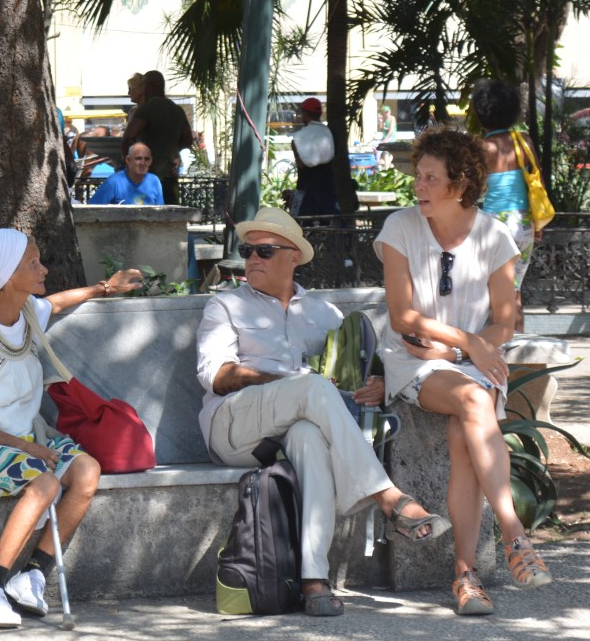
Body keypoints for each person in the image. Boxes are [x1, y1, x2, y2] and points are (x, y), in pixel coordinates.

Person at [196, 207, 450, 618]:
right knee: (311, 387)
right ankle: (388, 497)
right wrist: (286, 382)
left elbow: (358, 368)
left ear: (293, 256)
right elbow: (217, 377)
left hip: (288, 433)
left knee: (311, 438)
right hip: (232, 426)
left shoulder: (323, 314)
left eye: (264, 250)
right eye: (247, 251)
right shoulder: (225, 305)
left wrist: (378, 383)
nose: (252, 258)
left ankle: (314, 580)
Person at [373, 128, 552, 617]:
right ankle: (514, 534)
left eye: (431, 178)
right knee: (474, 402)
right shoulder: (400, 228)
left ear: (461, 183)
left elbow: (505, 322)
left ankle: (465, 576)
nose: (419, 185)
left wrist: (462, 351)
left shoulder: (494, 235)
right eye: (418, 175)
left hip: (469, 361)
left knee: (463, 436)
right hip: (415, 359)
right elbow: (403, 318)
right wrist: (466, 342)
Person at [0, 228, 143, 628]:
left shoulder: (28, 312)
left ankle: (32, 574)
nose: (44, 269)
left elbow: (56, 302)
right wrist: (25, 447)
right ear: (6, 276)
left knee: (86, 471)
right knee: (46, 483)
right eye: (32, 263)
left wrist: (105, 288)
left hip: (28, 435)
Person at [473, 79, 540, 332]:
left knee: (493, 292)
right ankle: (520, 347)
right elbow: (537, 182)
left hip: (495, 225)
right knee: (514, 291)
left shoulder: (483, 147)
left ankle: (495, 345)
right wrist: (538, 223)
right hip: (524, 222)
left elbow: (475, 189)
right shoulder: (524, 141)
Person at [122, 70, 193, 204]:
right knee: (171, 211)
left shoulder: (147, 108)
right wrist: (173, 151)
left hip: (148, 175)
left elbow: (128, 138)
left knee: (146, 212)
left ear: (149, 87)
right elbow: (188, 140)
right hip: (170, 174)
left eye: (144, 86)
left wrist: (131, 165)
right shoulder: (177, 110)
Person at [290, 97, 338, 217]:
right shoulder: (331, 135)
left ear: (305, 114)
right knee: (328, 225)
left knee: (303, 225)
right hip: (329, 192)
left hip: (307, 192)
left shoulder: (298, 138)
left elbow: (300, 164)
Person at [89, 143, 164, 205]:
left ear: (151, 161)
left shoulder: (154, 181)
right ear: (128, 160)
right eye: (138, 158)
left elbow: (160, 212)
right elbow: (92, 209)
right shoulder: (114, 182)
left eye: (147, 159)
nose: (143, 163)